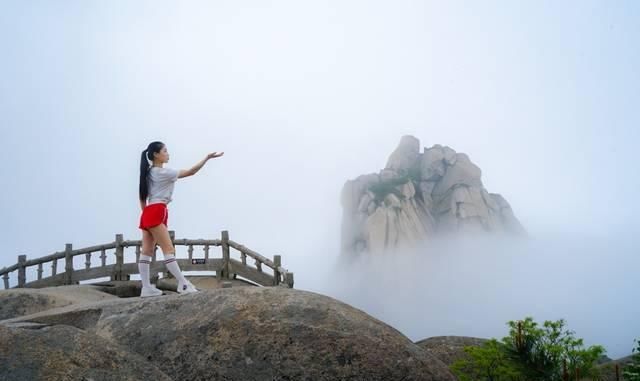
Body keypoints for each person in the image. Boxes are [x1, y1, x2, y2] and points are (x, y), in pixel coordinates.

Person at [137, 141, 224, 297]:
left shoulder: (148, 172)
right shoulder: (163, 172)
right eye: (165, 151)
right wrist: (206, 158)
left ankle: (146, 288)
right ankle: (183, 284)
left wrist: (147, 216)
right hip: (158, 210)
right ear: (156, 154)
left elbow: (142, 198)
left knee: (147, 252)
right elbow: (191, 172)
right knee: (168, 250)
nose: (168, 153)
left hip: (148, 211)